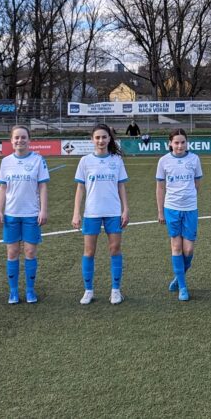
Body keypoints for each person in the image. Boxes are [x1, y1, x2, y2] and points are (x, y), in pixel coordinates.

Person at [73, 123, 130, 305]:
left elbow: (121, 186)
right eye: (97, 137)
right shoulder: (85, 161)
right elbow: (80, 188)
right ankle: (88, 290)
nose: (101, 140)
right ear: (92, 140)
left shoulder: (116, 160)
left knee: (115, 249)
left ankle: (115, 290)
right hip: (92, 213)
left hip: (113, 211)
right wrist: (76, 212)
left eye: (104, 137)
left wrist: (125, 209)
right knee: (89, 252)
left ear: (109, 139)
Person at [0, 125, 49, 305]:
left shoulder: (38, 160)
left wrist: (43, 209)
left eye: (23, 137)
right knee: (12, 252)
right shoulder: (6, 161)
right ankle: (13, 292)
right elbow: (3, 188)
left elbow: (42, 186)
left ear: (29, 140)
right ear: (11, 141)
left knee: (30, 252)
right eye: (16, 138)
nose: (20, 140)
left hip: (31, 214)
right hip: (11, 213)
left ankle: (30, 290)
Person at [155, 128, 203, 301]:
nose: (180, 145)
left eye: (183, 142)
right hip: (171, 208)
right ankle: (183, 287)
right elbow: (160, 187)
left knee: (188, 249)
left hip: (190, 208)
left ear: (186, 143)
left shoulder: (194, 159)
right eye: (176, 142)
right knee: (176, 247)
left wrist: (189, 198)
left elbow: (197, 183)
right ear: (170, 143)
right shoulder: (164, 161)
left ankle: (178, 275)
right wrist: (160, 211)